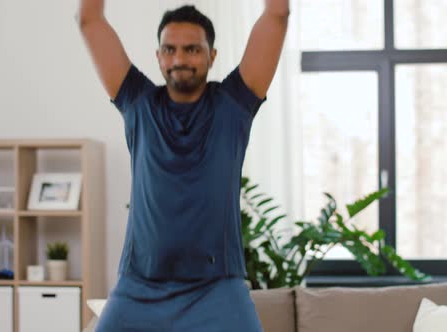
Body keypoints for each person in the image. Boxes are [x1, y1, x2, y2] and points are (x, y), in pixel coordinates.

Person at [77, 1, 289, 330]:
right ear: (158, 56)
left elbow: (276, 15)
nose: (179, 59)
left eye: (192, 49)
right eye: (170, 49)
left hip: (218, 288)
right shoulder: (138, 103)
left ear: (211, 56)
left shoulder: (234, 105)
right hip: (138, 288)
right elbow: (90, 20)